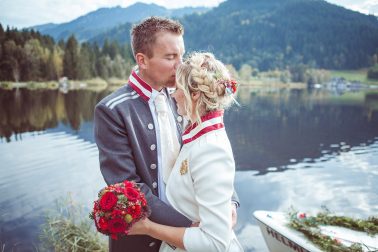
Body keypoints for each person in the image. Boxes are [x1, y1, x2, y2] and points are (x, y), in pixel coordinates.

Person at [94, 17, 239, 252]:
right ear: (142, 60)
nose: (181, 66)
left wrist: (229, 200)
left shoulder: (185, 97)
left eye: (181, 56)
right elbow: (128, 185)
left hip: (196, 230)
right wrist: (189, 228)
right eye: (170, 57)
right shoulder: (113, 110)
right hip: (142, 238)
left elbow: (212, 150)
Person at [129, 52, 244, 252]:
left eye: (178, 89)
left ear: (195, 94)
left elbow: (215, 244)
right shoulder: (198, 134)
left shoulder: (210, 149)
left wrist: (149, 228)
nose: (173, 95)